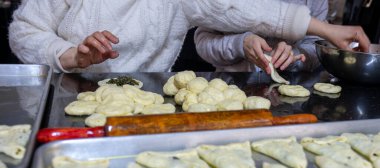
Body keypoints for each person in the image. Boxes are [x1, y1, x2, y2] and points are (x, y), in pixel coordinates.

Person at [8, 0, 369, 73]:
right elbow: (23, 31)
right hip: (65, 103)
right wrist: (73, 55)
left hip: (148, 109)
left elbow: (243, 9)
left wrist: (326, 30)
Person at [194, 0, 329, 73]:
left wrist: (293, 56)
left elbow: (317, 45)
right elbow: (203, 42)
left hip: (288, 98)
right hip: (230, 87)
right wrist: (239, 45)